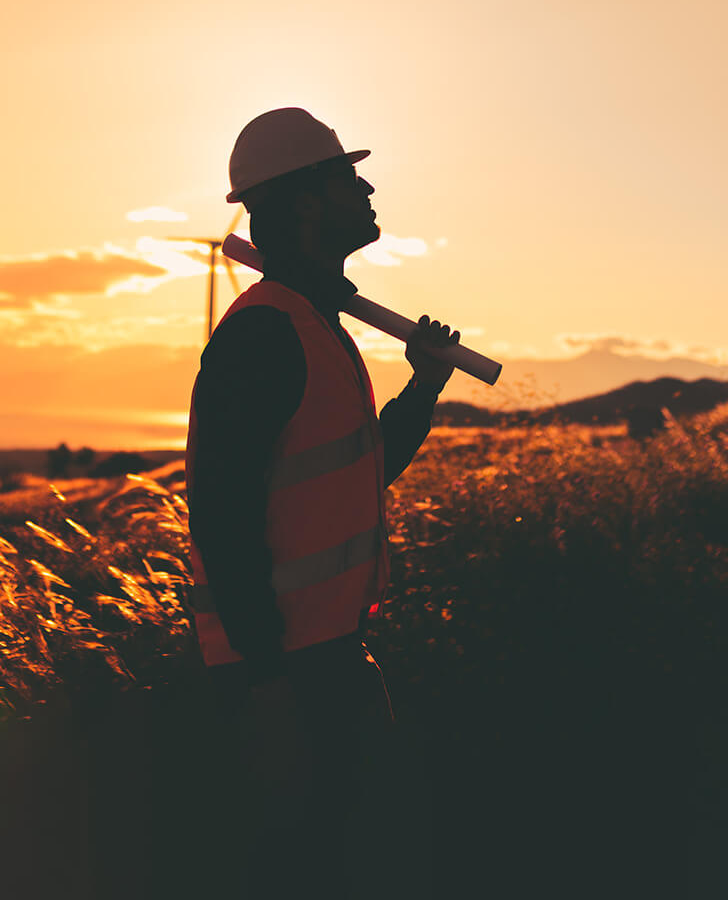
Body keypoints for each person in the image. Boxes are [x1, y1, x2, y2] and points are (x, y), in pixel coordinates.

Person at [184, 107, 459, 898]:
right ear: (306, 201)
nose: (366, 186)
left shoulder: (312, 324)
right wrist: (270, 687)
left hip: (325, 664)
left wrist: (423, 386)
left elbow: (358, 473)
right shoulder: (264, 335)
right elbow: (221, 516)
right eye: (346, 175)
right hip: (281, 678)